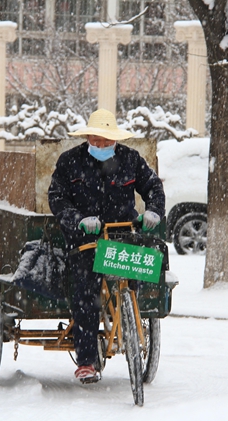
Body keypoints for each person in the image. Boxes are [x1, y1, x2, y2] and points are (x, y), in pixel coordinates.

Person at [48, 108, 165, 383]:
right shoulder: (70, 161)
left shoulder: (130, 159)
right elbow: (57, 197)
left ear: (115, 139)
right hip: (85, 239)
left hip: (123, 234)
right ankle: (86, 360)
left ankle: (131, 325)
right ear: (88, 137)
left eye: (106, 141)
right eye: (96, 141)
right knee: (85, 293)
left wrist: (153, 211)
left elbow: (154, 188)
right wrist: (78, 219)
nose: (101, 146)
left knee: (135, 279)